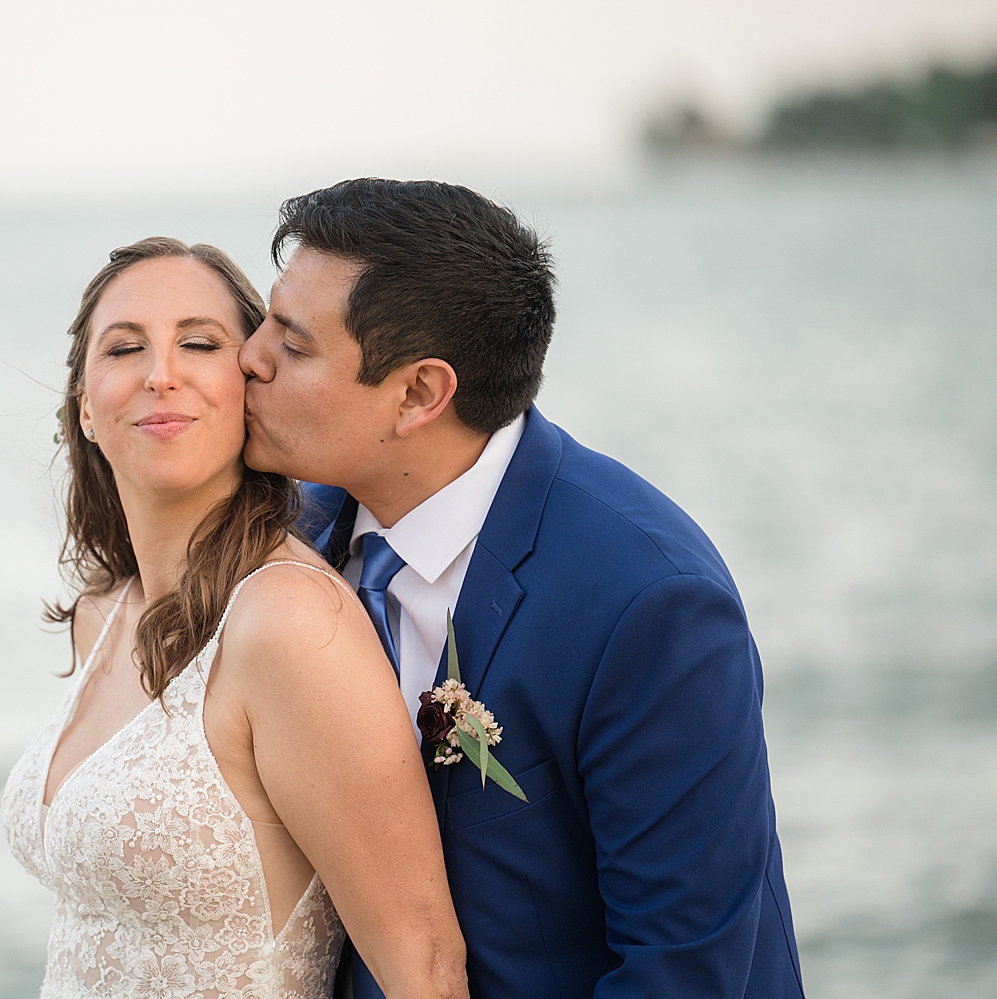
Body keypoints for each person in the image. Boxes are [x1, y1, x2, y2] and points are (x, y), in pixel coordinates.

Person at [239, 179, 805, 999]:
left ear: (419, 394)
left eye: (291, 346)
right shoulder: (290, 537)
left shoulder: (648, 602)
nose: (248, 356)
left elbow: (681, 970)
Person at [0, 237, 469, 999]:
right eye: (124, 349)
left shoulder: (289, 621)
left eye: (198, 342)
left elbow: (426, 968)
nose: (161, 374)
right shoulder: (103, 610)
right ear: (85, 405)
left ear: (250, 381)